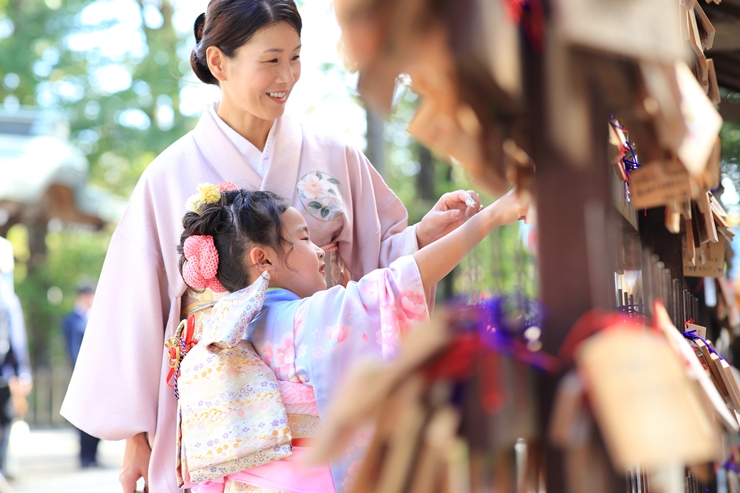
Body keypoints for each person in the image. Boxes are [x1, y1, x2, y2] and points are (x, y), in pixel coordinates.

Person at [60, 1, 481, 491]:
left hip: (318, 400)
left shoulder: (333, 154)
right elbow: (135, 310)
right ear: (218, 62)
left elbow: (377, 270)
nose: (288, 75)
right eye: (271, 59)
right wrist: (137, 435)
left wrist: (422, 236)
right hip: (214, 409)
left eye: (296, 57)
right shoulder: (167, 175)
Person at [174, 185, 526, 492]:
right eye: (303, 238)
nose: (319, 252)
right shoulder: (299, 320)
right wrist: (492, 217)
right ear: (263, 259)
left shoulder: (231, 326)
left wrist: (426, 235)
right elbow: (393, 288)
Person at [0, 237, 32, 479]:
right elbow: (16, 341)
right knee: (4, 422)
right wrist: (23, 372)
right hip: (5, 373)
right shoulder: (8, 299)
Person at [61, 284, 100, 469]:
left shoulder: (93, 316)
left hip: (97, 373)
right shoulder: (71, 320)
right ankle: (85, 457)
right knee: (84, 414)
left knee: (98, 413)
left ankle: (93, 455)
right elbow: (73, 349)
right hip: (81, 373)